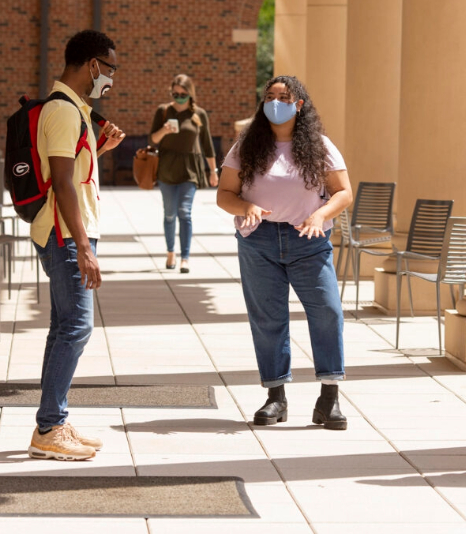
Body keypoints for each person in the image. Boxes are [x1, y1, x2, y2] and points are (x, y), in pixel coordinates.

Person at [217, 75, 353, 430]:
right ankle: (275, 398)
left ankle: (329, 399)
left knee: (327, 312)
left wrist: (320, 215)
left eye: (284, 97)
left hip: (308, 241)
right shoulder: (246, 147)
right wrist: (244, 206)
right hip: (258, 241)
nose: (276, 102)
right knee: (268, 318)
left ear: (299, 105)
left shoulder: (320, 146)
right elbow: (224, 194)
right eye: (270, 96)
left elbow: (343, 192)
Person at [28, 30, 126, 460]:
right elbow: (63, 184)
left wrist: (101, 150)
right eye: (110, 68)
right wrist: (84, 247)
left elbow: (72, 174)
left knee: (64, 326)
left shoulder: (75, 111)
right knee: (76, 327)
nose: (110, 77)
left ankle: (54, 421)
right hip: (67, 235)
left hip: (67, 231)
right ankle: (50, 428)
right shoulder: (64, 111)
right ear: (92, 65)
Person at [147, 74, 218, 272]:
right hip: (167, 168)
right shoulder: (163, 111)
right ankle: (171, 252)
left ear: (190, 94)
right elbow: (152, 139)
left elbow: (207, 145)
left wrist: (213, 171)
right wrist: (164, 131)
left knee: (184, 213)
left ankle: (185, 257)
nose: (179, 97)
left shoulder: (199, 114)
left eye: (183, 94)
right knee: (170, 214)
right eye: (175, 93)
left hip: (190, 170)